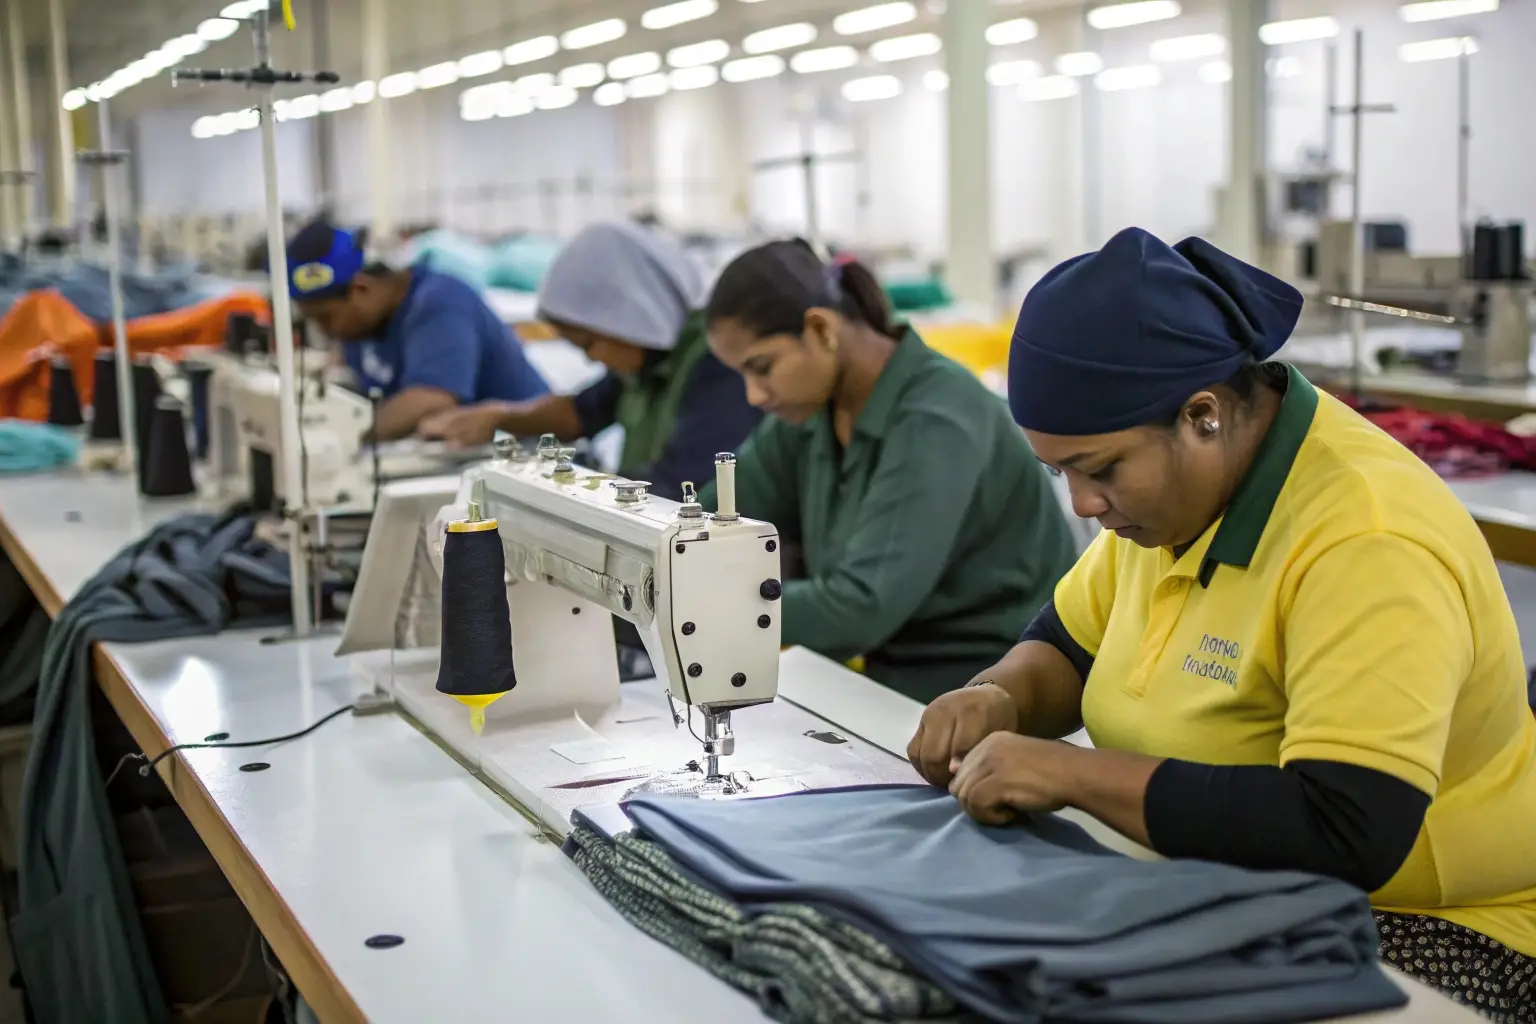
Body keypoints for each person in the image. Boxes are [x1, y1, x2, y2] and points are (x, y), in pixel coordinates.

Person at [908, 227, 1536, 1020]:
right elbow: (1071, 641)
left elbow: (1348, 827)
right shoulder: (1173, 502)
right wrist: (999, 697)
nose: (1082, 505)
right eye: (1060, 472)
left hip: (1428, 927)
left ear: (1203, 415)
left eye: (1099, 470)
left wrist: (1071, 775)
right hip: (1222, 878)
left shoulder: (1366, 541)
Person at [702, 240, 1077, 703]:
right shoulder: (813, 413)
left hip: (985, 694)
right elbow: (711, 517)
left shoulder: (937, 418)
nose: (754, 396)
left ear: (820, 329)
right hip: (881, 680)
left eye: (762, 368)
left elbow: (858, 610)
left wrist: (706, 600)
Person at [418, 220, 761, 501]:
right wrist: (496, 417)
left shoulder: (716, 360)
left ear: (631, 314)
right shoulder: (645, 361)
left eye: (589, 342)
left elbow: (681, 482)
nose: (592, 358)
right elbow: (579, 413)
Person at [285, 219, 549, 441]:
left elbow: (430, 399)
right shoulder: (362, 325)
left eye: (325, 318)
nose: (326, 331)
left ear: (361, 288)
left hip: (538, 458)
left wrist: (340, 440)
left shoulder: (439, 304)